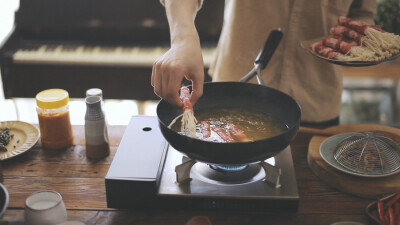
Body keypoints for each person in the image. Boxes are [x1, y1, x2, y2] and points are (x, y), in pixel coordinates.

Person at [151, 0, 377, 127]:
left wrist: (356, 41)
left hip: (317, 100)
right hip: (235, 88)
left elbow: (362, 12)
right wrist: (182, 39)